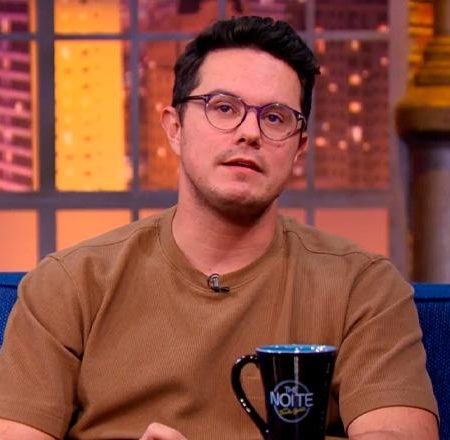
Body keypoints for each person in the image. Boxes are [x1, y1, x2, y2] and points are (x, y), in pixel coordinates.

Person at [0, 15, 438, 440]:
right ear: (175, 128)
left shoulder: (363, 287)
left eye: (275, 117)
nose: (250, 133)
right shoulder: (67, 285)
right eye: (224, 108)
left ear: (299, 148)